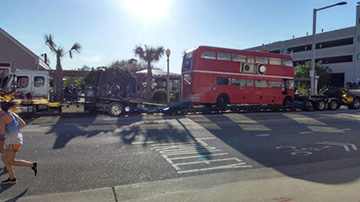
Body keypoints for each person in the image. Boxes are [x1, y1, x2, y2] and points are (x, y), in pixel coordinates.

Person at [0, 100, 37, 184]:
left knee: (11, 161)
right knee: (4, 159)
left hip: (13, 141)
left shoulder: (2, 117)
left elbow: (1, 133)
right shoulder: (13, 114)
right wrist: (15, 131)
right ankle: (12, 178)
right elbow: (23, 124)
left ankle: (32, 165)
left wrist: (5, 137)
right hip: (15, 139)